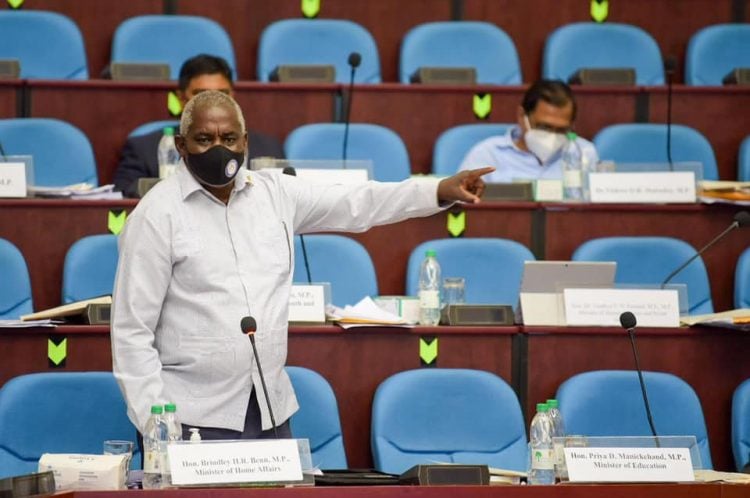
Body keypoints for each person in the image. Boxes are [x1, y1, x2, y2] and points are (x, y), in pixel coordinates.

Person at [111, 90, 493, 440]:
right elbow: (131, 331)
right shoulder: (156, 216)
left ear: (244, 143)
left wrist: (437, 190)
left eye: (228, 139)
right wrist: (157, 425)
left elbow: (359, 201)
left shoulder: (276, 194)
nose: (218, 149)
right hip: (191, 418)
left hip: (270, 411)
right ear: (181, 144)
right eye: (204, 139)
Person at [113, 54, 284, 198]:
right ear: (181, 98)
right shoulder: (143, 149)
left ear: (233, 95)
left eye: (222, 94)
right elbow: (122, 197)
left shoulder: (268, 147)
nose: (213, 103)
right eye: (202, 95)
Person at [458, 80, 598, 183]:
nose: (553, 136)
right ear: (521, 116)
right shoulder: (487, 154)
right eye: (544, 127)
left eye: (561, 130)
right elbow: (463, 208)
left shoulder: (583, 153)